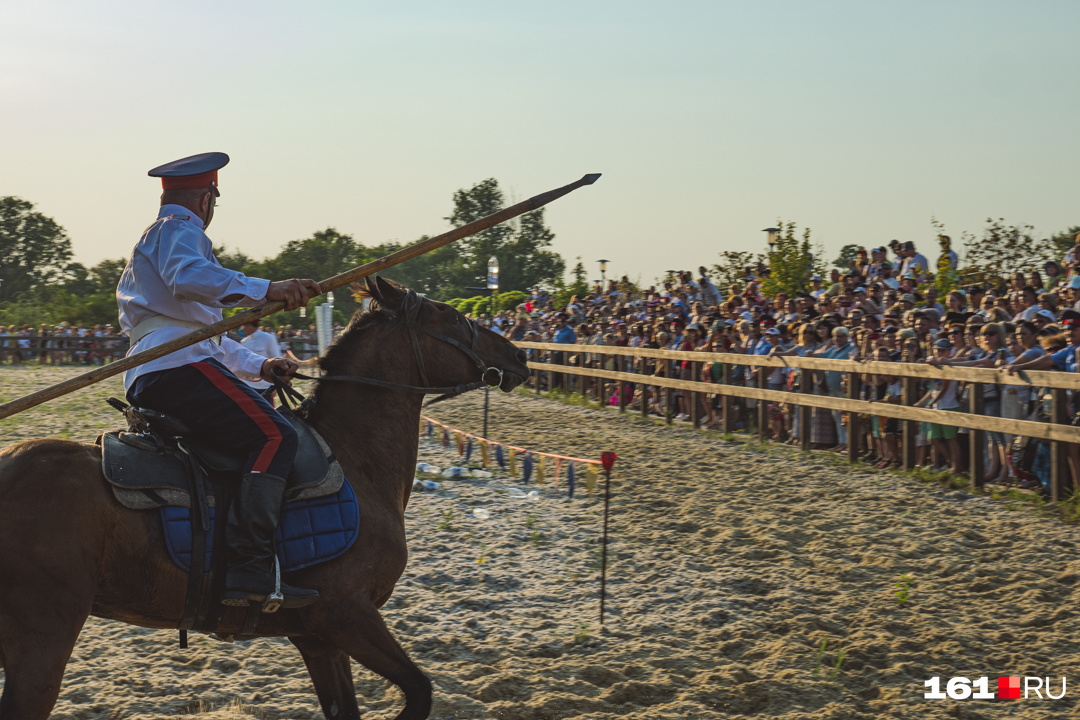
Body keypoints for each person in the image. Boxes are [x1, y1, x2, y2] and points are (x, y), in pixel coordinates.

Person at [117, 152, 322, 609]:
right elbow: (191, 281)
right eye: (213, 199)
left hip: (171, 363)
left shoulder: (165, 238)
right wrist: (266, 287)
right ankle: (249, 570)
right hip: (174, 369)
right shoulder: (177, 231)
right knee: (275, 435)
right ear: (207, 198)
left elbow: (204, 336)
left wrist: (261, 367)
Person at [240, 318, 285, 403]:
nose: (242, 328)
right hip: (248, 386)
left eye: (244, 325)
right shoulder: (244, 342)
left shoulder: (268, 338)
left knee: (268, 414)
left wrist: (275, 385)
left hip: (265, 387)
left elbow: (277, 360)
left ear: (250, 325)